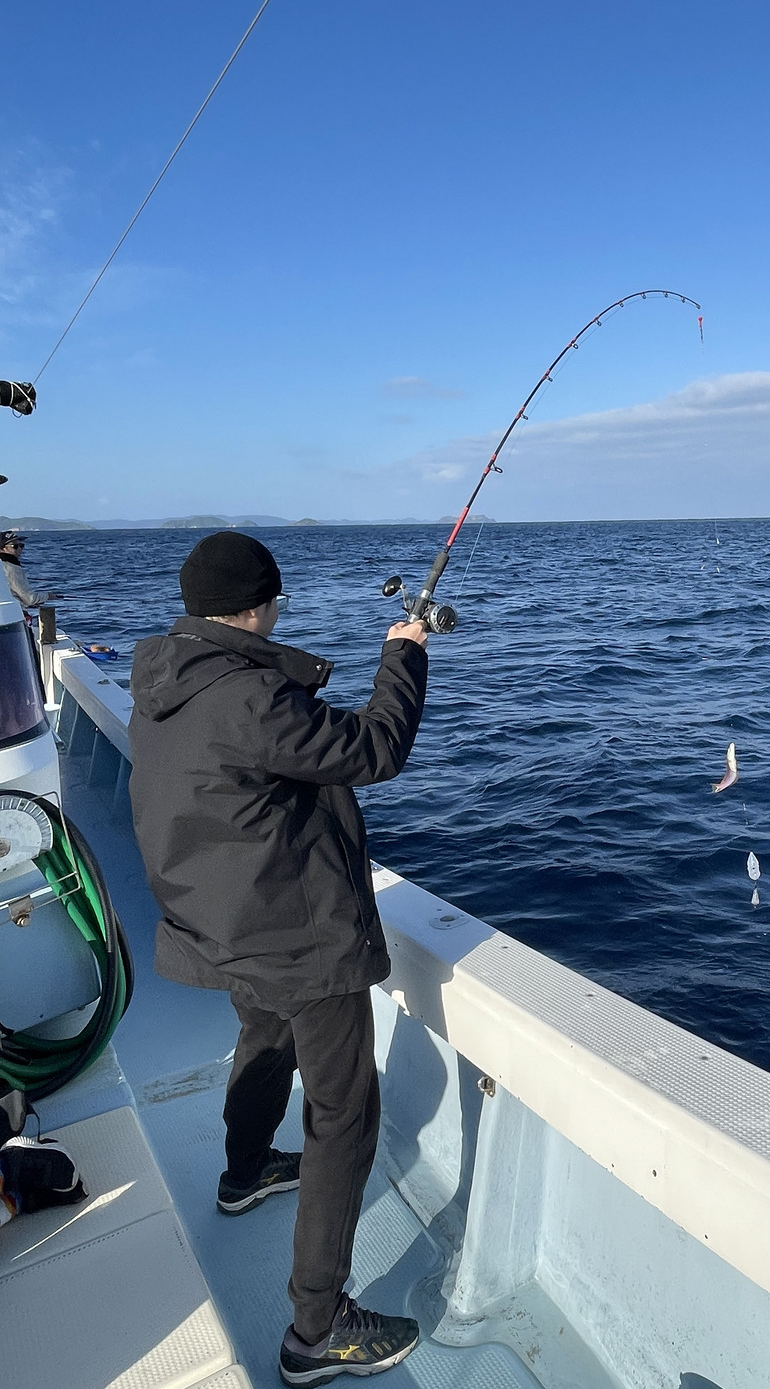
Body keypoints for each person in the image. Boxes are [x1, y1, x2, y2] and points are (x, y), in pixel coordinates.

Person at [127, 531, 428, 1384]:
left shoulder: (163, 679)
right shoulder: (250, 696)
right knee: (344, 1115)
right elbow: (374, 750)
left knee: (263, 1039)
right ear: (261, 604)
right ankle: (316, 1329)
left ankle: (245, 1169)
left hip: (220, 923)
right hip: (296, 936)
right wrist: (403, 657)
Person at [0, 531, 57, 612]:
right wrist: (48, 596)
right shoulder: (11, 568)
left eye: (21, 545)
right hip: (13, 613)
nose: (20, 549)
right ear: (2, 548)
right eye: (15, 546)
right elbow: (29, 599)